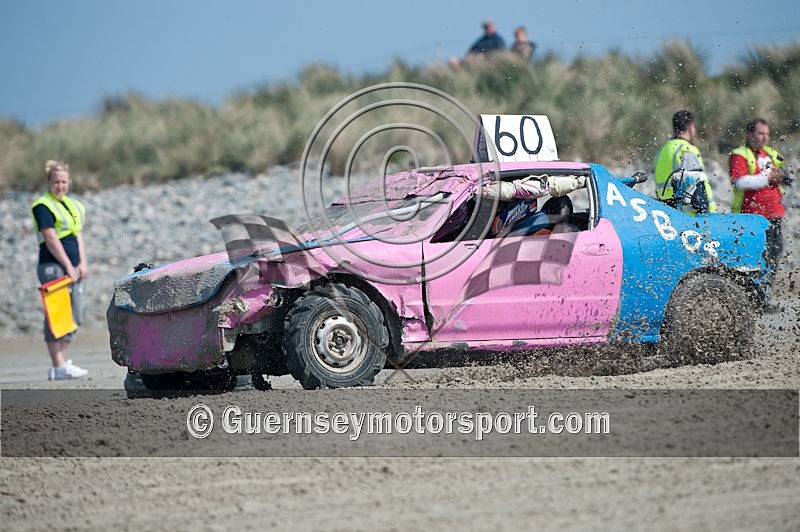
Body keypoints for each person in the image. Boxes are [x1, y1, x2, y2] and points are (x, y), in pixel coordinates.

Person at [31, 160, 89, 380]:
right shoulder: (43, 206)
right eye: (56, 182)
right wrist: (67, 266)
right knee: (56, 314)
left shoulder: (74, 205)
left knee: (75, 315)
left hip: (73, 267)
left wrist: (82, 263)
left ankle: (62, 363)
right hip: (52, 266)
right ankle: (58, 365)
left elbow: (78, 234)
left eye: (64, 181)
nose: (60, 186)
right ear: (49, 182)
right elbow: (50, 238)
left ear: (69, 182)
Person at [729, 118, 786, 269]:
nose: (765, 137)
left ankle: (769, 284)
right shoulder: (740, 154)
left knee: (774, 255)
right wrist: (768, 178)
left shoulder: (771, 153)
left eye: (767, 133)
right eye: (761, 133)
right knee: (756, 258)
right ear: (750, 134)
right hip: (752, 216)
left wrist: (784, 176)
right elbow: (740, 181)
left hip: (774, 214)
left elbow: (784, 174)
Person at [653, 110, 717, 215]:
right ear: (690, 127)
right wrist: (704, 214)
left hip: (668, 212)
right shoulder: (686, 149)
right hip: (691, 217)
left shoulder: (663, 150)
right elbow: (696, 186)